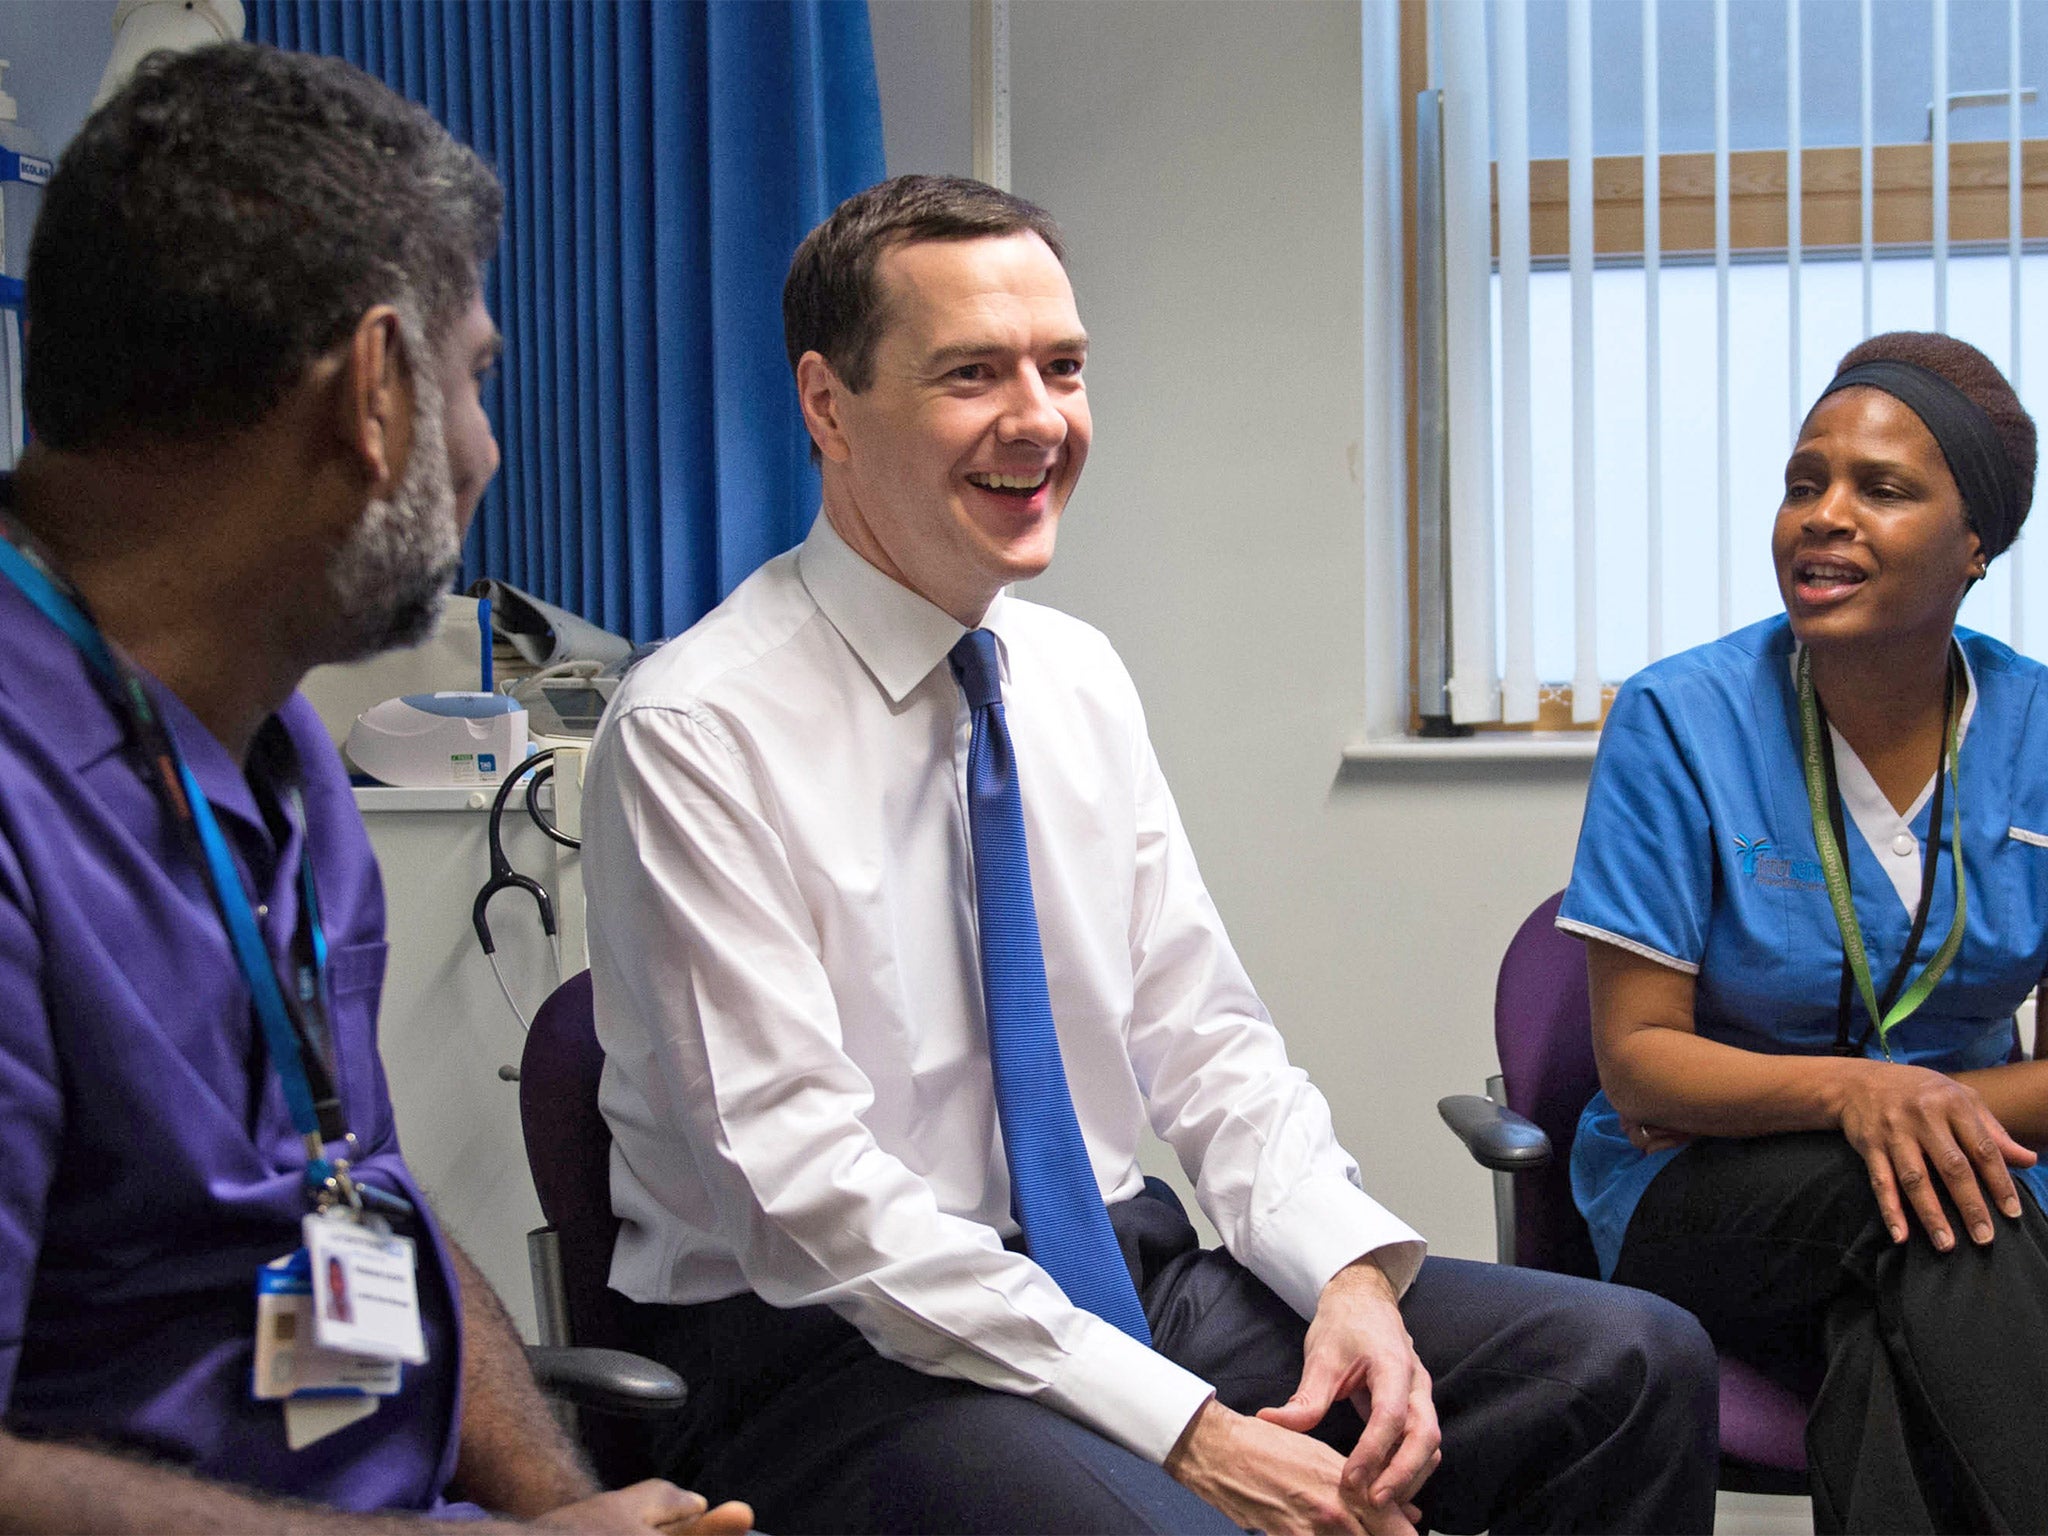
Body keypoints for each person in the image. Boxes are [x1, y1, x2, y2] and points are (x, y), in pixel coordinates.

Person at [581, 172, 1719, 1536]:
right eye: (971, 374)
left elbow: (1205, 1036)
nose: (1041, 420)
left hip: (1114, 1270)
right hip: (834, 1342)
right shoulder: (696, 729)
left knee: (1630, 1366)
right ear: (828, 405)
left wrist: (1345, 1272)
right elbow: (808, 1200)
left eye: (1062, 367)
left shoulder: (1070, 676)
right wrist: (1188, 1435)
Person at [0, 43, 750, 1534]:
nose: (484, 450)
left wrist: (557, 1508)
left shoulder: (270, 761)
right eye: (472, 380)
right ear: (372, 392)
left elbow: (366, 1204)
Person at [1559, 330, 2048, 1533]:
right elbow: (1637, 1065)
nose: (1821, 516)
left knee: (1895, 1315)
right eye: (1801, 482)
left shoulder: (2039, 731)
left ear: (1976, 542)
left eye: (1879, 489)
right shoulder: (1679, 718)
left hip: (1971, 1169)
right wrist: (1854, 1096)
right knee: (1942, 1230)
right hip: (1705, 1180)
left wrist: (1925, 1114)